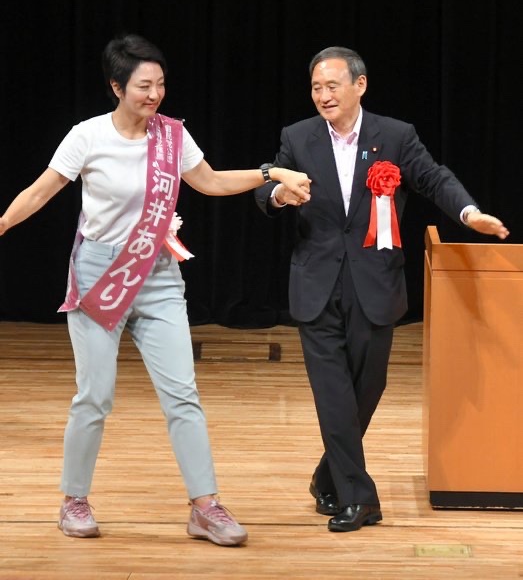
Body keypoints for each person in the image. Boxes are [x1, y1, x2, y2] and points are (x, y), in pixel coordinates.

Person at [0, 34, 311, 546]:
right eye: (144, 86)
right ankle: (74, 499)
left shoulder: (172, 135)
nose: (155, 95)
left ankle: (205, 506)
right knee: (94, 396)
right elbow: (40, 191)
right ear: (116, 87)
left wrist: (269, 171)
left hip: (159, 275)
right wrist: (4, 224)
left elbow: (210, 182)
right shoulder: (87, 136)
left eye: (160, 84)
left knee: (182, 393)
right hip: (100, 276)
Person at [254, 46, 509, 533]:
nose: (323, 96)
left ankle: (327, 477)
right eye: (316, 88)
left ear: (360, 85)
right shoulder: (298, 137)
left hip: (374, 282)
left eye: (332, 86)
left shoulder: (394, 136)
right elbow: (266, 186)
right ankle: (360, 497)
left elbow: (433, 178)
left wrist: (469, 212)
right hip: (316, 282)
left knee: (366, 388)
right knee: (332, 392)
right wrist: (278, 193)